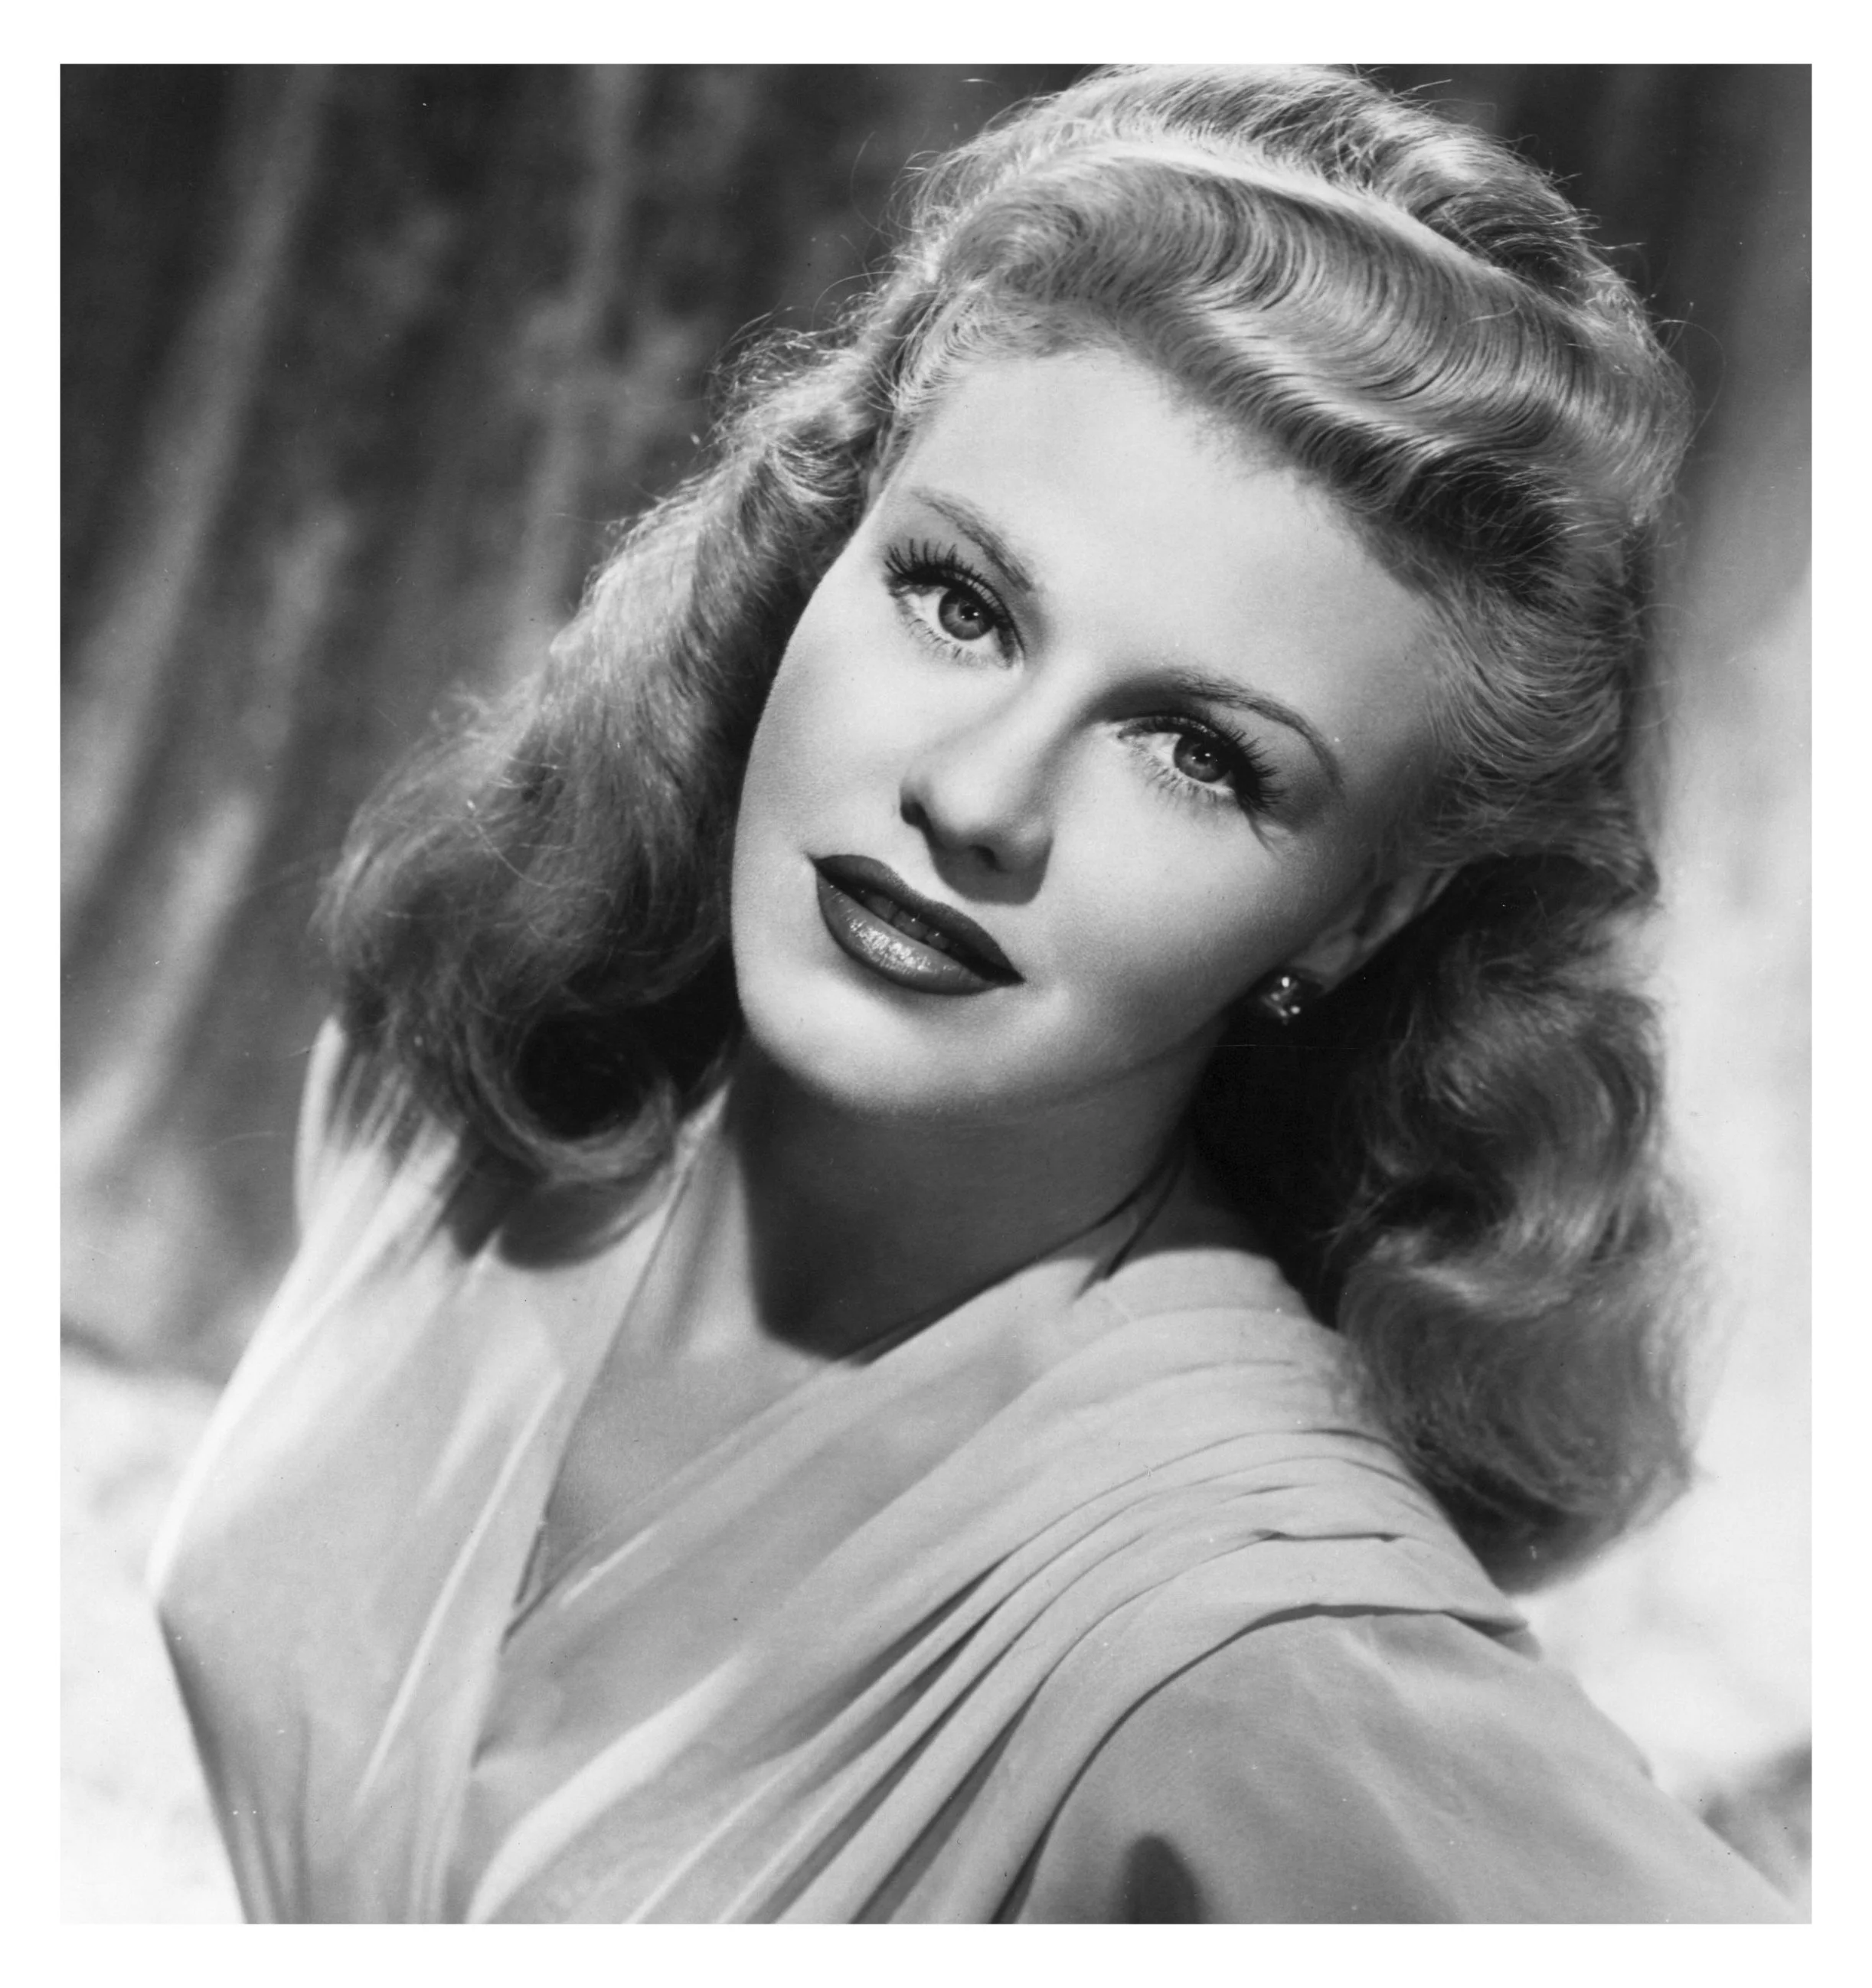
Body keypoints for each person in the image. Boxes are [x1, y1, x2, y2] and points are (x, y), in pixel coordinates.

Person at [149, 65, 1796, 1922]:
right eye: (956, 601)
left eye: (1195, 751)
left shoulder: (1257, 1660)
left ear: (1355, 918)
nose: (980, 795)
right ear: (817, 552)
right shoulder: (477, 1067)